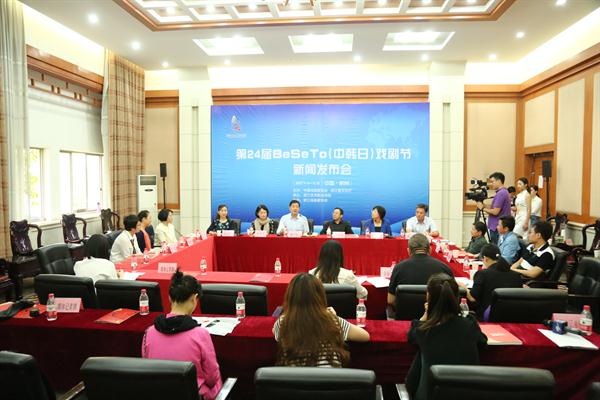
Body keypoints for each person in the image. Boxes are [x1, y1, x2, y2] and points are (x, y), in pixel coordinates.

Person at [142, 270, 222, 400]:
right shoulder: (200, 334)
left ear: (169, 297)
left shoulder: (149, 332)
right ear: (194, 298)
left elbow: (147, 371)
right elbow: (212, 378)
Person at [405, 273, 487, 400]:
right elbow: (483, 342)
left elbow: (411, 336)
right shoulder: (469, 324)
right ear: (457, 298)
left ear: (428, 297)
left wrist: (426, 313)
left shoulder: (422, 330)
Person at [272, 273, 369, 367]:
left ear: (290, 297)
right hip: (330, 377)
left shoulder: (283, 322)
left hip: (294, 378)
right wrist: (334, 317)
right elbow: (365, 336)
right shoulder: (332, 320)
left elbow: (274, 331)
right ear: (320, 295)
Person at [387, 234, 454, 316]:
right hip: (436, 318)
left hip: (406, 318)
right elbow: (452, 298)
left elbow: (390, 300)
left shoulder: (398, 268)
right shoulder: (444, 268)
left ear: (408, 251)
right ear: (430, 250)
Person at [460, 244, 522, 320]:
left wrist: (463, 286)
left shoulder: (482, 274)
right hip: (512, 316)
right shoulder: (516, 275)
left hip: (487, 316)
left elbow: (472, 298)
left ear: (485, 258)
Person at [476, 172, 512, 244]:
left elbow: (495, 212)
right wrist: (484, 206)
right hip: (497, 226)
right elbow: (495, 207)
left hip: (497, 227)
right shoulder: (503, 192)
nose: (491, 184)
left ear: (499, 181)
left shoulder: (501, 193)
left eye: (493, 182)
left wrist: (482, 208)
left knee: (495, 247)